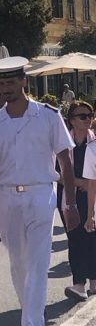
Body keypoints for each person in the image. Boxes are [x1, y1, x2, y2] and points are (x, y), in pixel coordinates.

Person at [0, 57, 78, 326]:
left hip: (40, 193)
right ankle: (30, 312)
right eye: (2, 84)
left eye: (11, 82)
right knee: (18, 263)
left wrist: (70, 204)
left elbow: (65, 160)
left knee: (37, 261)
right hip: (8, 196)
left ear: (24, 82)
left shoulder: (48, 116)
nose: (6, 89)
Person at [58, 100, 96, 302]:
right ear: (71, 120)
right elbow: (55, 172)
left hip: (92, 195)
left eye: (90, 115)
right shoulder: (63, 144)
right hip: (69, 196)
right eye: (83, 116)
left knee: (92, 237)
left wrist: (88, 183)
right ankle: (79, 283)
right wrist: (76, 182)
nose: (88, 119)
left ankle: (94, 280)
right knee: (75, 238)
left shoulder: (95, 142)